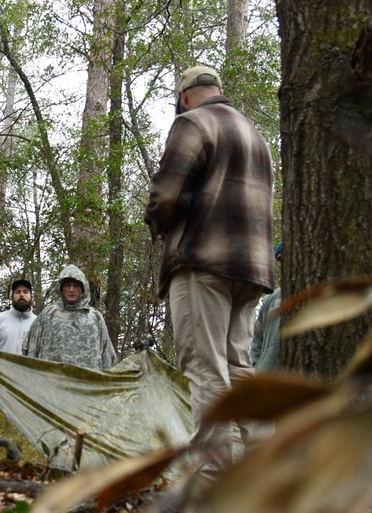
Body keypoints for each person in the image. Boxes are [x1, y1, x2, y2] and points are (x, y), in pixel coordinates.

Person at [144, 65, 275, 477]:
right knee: (239, 367)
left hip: (202, 260)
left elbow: (167, 192)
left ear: (184, 95)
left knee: (206, 368)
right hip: (251, 268)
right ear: (217, 89)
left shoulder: (193, 123)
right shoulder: (256, 135)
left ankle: (211, 480)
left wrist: (159, 224)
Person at [21, 265, 117, 369]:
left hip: (86, 382)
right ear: (61, 289)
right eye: (67, 285)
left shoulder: (94, 317)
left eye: (75, 286)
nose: (71, 290)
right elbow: (30, 349)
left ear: (82, 289)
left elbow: (107, 355)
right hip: (53, 381)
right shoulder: (48, 315)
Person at [250, 243, 283, 372]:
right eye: (280, 259)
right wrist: (256, 366)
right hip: (267, 378)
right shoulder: (271, 298)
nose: (283, 262)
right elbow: (257, 337)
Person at [0, 279, 37, 354]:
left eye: (25, 292)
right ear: (11, 297)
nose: (21, 295)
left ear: (32, 297)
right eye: (18, 292)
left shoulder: (38, 322)